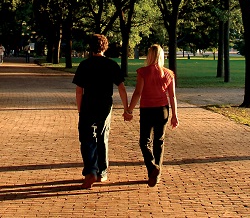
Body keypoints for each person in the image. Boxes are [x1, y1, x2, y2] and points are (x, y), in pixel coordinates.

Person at [72, 34, 128, 189]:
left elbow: (78, 90)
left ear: (90, 48)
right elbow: (121, 88)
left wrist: (80, 109)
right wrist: (126, 108)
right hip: (104, 104)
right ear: (105, 47)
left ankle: (91, 169)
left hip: (88, 103)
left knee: (87, 138)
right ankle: (102, 172)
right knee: (103, 136)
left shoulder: (84, 65)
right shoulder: (111, 65)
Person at [124, 45, 179, 187]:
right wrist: (174, 115)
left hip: (147, 110)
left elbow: (138, 92)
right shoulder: (168, 74)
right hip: (163, 110)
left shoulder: (143, 72)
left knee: (144, 142)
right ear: (161, 56)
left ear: (149, 55)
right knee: (159, 141)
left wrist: (129, 110)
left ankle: (152, 167)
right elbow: (172, 96)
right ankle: (156, 173)